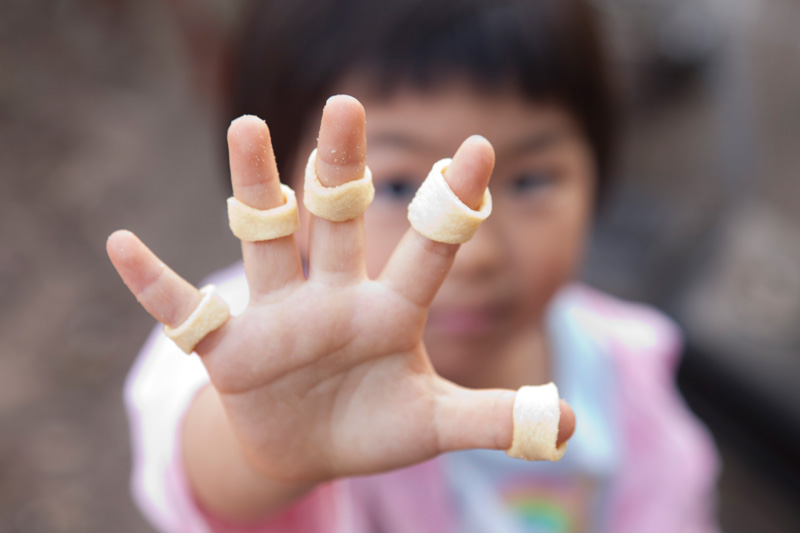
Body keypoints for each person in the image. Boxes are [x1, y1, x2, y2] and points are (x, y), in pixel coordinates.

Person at [107, 0, 720, 531]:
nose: (476, 254)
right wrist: (263, 450)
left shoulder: (625, 365)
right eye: (398, 187)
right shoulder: (251, 342)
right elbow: (199, 460)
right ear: (282, 189)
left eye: (531, 180)